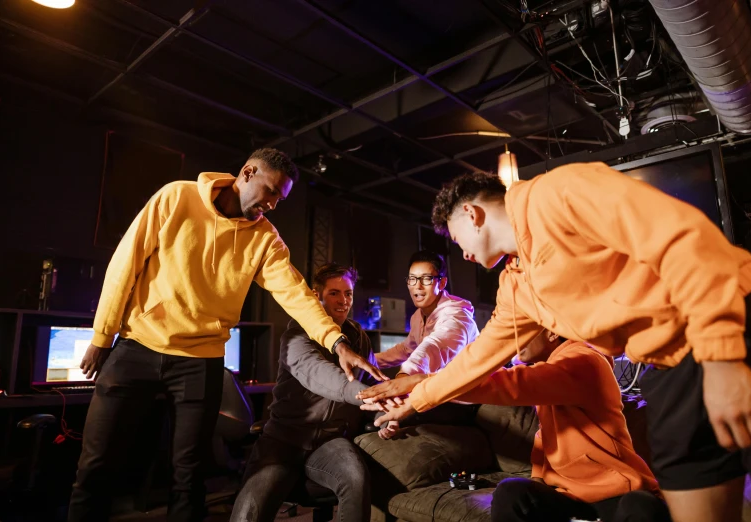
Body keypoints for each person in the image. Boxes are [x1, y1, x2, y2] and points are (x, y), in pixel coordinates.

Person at [361, 165, 751, 522]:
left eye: (457, 241)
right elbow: (479, 358)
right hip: (671, 361)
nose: (464, 255)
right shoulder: (516, 284)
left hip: (736, 315)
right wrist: (415, 392)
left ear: (471, 215)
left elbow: (682, 238)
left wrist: (724, 357)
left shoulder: (557, 193)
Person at [69, 149, 384, 522]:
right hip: (138, 344)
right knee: (95, 464)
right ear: (247, 172)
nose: (271, 204)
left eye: (279, 200)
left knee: (189, 477)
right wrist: (102, 336)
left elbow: (296, 295)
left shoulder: (266, 239)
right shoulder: (176, 197)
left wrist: (337, 342)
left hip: (201, 360)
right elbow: (126, 263)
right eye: (269, 192)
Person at [460, 329, 669, 522]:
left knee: (639, 506)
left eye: (522, 331)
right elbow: (546, 437)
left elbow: (510, 384)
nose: (514, 341)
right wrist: (537, 480)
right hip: (570, 496)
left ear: (551, 333)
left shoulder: (584, 360)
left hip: (618, 492)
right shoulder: (550, 372)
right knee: (512, 493)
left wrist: (435, 386)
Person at [231, 263, 378, 522]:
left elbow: (373, 387)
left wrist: (384, 418)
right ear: (316, 295)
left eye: (348, 293)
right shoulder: (297, 333)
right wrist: (371, 397)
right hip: (284, 440)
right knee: (248, 512)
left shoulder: (359, 338)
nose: (343, 300)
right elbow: (321, 375)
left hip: (331, 441)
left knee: (357, 478)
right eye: (334, 293)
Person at [371, 250, 479, 438]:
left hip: (463, 398)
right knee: (374, 413)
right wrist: (367, 361)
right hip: (434, 389)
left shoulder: (457, 314)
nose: (417, 286)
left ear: (442, 282)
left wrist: (403, 379)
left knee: (380, 416)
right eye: (412, 279)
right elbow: (406, 349)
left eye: (426, 279)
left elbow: (433, 346)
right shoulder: (417, 317)